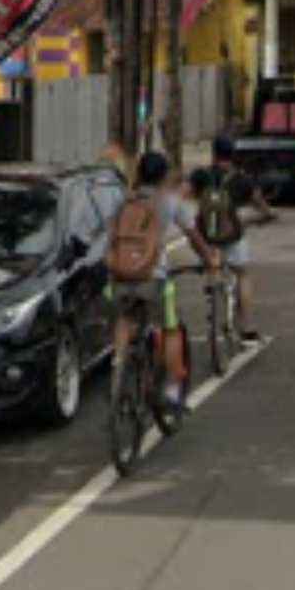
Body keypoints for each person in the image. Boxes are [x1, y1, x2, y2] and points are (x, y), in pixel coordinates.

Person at [110, 149, 217, 425]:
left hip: (120, 276)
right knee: (169, 328)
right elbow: (193, 237)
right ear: (163, 176)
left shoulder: (123, 200)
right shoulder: (169, 202)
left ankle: (118, 369)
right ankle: (171, 390)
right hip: (153, 277)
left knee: (125, 317)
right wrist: (209, 259)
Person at [191, 132, 280, 341]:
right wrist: (268, 214)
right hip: (232, 236)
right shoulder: (242, 179)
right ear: (233, 154)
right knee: (242, 274)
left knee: (212, 264)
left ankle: (212, 288)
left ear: (213, 153)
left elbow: (191, 197)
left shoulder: (200, 175)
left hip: (206, 237)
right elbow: (259, 203)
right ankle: (246, 325)